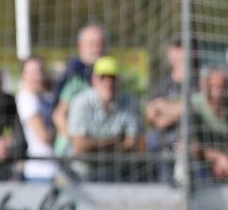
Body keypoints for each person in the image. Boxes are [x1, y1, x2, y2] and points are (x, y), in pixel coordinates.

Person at [65, 56, 142, 182]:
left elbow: (133, 145)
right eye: (103, 77)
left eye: (113, 77)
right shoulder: (80, 102)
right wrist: (116, 140)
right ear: (94, 80)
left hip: (115, 174)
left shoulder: (130, 103)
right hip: (80, 174)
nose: (108, 82)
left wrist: (93, 145)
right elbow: (79, 146)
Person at [52, 22, 108, 156]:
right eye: (92, 44)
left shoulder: (110, 77)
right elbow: (58, 115)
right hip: (73, 156)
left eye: (101, 44)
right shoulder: (74, 76)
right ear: (80, 47)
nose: (97, 48)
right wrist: (76, 143)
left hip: (101, 154)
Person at [146, 37, 195, 181]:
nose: (179, 53)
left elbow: (190, 108)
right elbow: (152, 115)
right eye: (176, 48)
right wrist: (176, 111)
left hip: (185, 145)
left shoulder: (196, 82)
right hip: (161, 145)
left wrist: (163, 106)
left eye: (182, 47)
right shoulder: (162, 83)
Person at [16, 57, 57, 181]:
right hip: (41, 169)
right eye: (33, 73)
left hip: (51, 167)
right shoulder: (27, 99)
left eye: (40, 72)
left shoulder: (43, 97)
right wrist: (63, 128)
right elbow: (43, 136)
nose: (38, 77)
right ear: (23, 75)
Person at [191, 68, 228, 181]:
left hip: (227, 161)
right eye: (214, 86)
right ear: (206, 86)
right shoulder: (195, 104)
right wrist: (218, 157)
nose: (219, 91)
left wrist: (226, 158)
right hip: (200, 160)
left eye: (223, 86)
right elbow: (190, 146)